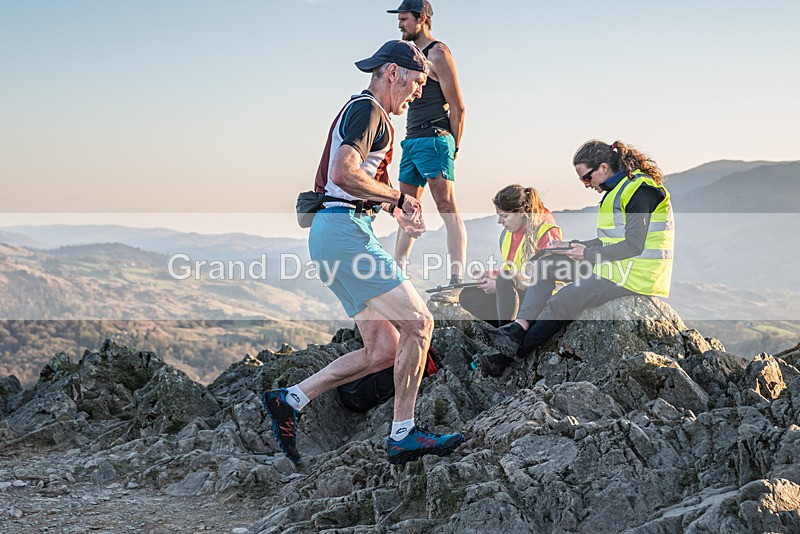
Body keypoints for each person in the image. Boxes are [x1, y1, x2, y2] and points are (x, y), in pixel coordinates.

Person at [261, 40, 464, 465]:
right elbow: (343, 172)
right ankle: (403, 434)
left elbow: (353, 180)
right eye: (416, 84)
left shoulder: (366, 114)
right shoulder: (369, 109)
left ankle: (292, 399)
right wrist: (396, 196)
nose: (418, 94)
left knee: (383, 350)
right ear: (393, 73)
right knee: (420, 324)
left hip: (333, 232)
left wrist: (396, 208)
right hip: (344, 233)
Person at [476, 140, 675, 377]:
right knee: (546, 265)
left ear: (603, 167)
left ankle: (509, 356)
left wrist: (586, 254)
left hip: (636, 276)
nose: (586, 185)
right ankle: (517, 329)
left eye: (586, 178)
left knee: (563, 300)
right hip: (615, 267)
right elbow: (611, 241)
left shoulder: (640, 190)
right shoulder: (618, 190)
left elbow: (633, 245)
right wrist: (571, 246)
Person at [387, 0, 467, 287]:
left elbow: (458, 107)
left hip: (435, 139)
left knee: (446, 206)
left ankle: (456, 278)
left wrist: (452, 147)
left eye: (404, 19)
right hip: (412, 141)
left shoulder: (438, 53)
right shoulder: (411, 55)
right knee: (407, 209)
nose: (399, 24)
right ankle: (396, 275)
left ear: (421, 19)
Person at [459, 184, 562, 327]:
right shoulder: (507, 235)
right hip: (518, 292)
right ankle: (504, 330)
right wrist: (490, 275)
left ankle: (507, 336)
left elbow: (547, 278)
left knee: (504, 280)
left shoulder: (546, 232)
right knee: (468, 296)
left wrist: (499, 285)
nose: (499, 222)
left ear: (520, 212)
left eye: (504, 216)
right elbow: (512, 270)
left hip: (541, 298)